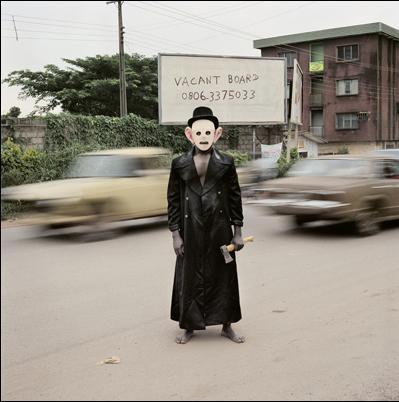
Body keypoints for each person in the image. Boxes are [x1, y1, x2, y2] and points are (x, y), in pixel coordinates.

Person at [167, 106, 245, 344]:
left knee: (224, 276)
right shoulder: (179, 164)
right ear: (190, 135)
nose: (203, 137)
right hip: (190, 230)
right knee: (189, 277)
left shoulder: (226, 163)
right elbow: (173, 200)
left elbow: (234, 197)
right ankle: (189, 326)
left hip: (219, 229)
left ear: (216, 134)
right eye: (198, 133)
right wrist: (175, 235)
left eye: (207, 133)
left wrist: (237, 232)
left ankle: (226, 325)